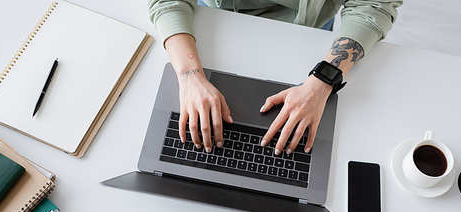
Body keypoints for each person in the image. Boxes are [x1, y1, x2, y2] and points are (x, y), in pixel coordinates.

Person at [148, 0, 402, 155]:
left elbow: (374, 5)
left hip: (306, 30)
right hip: (216, 18)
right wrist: (189, 76)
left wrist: (321, 83)